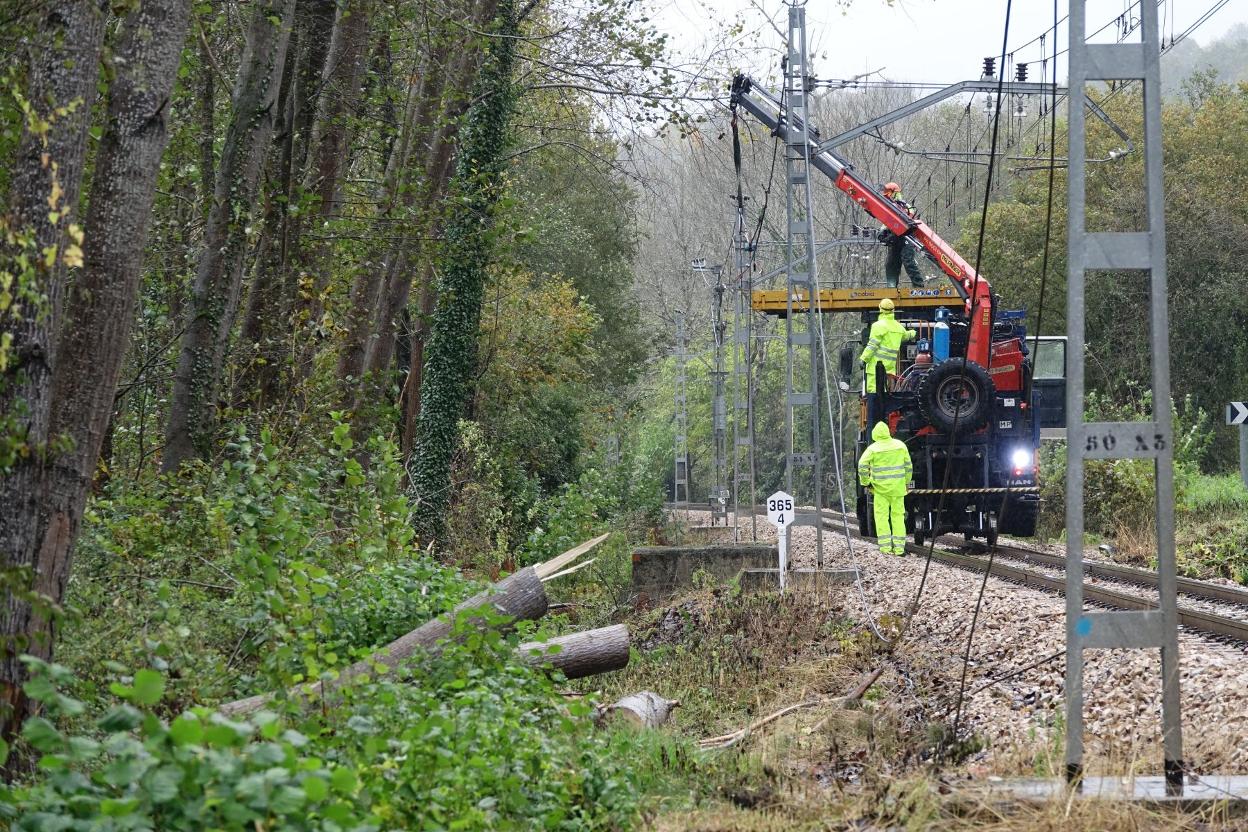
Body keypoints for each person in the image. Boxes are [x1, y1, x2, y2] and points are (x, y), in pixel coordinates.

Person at [858, 420, 913, 556]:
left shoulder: (873, 449)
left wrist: (866, 482)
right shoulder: (900, 446)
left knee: (882, 517)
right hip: (898, 490)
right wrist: (906, 482)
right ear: (888, 432)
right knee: (898, 517)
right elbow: (908, 466)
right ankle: (899, 549)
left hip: (880, 491)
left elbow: (861, 465)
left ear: (875, 434)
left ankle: (885, 549)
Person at [859, 297, 916, 427]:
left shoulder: (878, 326)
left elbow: (872, 345)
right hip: (889, 371)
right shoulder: (898, 327)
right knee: (885, 400)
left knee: (874, 403)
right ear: (893, 310)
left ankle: (874, 428)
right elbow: (906, 335)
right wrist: (914, 332)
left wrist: (863, 359)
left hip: (875, 369)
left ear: (880, 309)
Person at [878, 182, 924, 288]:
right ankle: (891, 288)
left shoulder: (906, 207)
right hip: (894, 239)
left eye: (888, 194)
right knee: (891, 264)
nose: (887, 197)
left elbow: (906, 220)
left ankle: (918, 286)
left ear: (894, 193)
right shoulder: (888, 208)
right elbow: (886, 222)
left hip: (906, 237)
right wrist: (882, 233)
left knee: (908, 261)